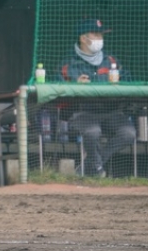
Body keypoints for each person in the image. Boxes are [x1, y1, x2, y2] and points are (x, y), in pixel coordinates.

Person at [58, 19, 136, 177]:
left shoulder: (111, 60)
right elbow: (58, 90)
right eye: (96, 34)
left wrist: (119, 84)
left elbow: (128, 81)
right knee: (92, 132)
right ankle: (95, 167)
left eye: (101, 35)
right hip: (82, 113)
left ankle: (91, 166)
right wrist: (74, 86)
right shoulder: (69, 63)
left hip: (112, 112)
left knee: (129, 133)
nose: (100, 38)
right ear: (83, 38)